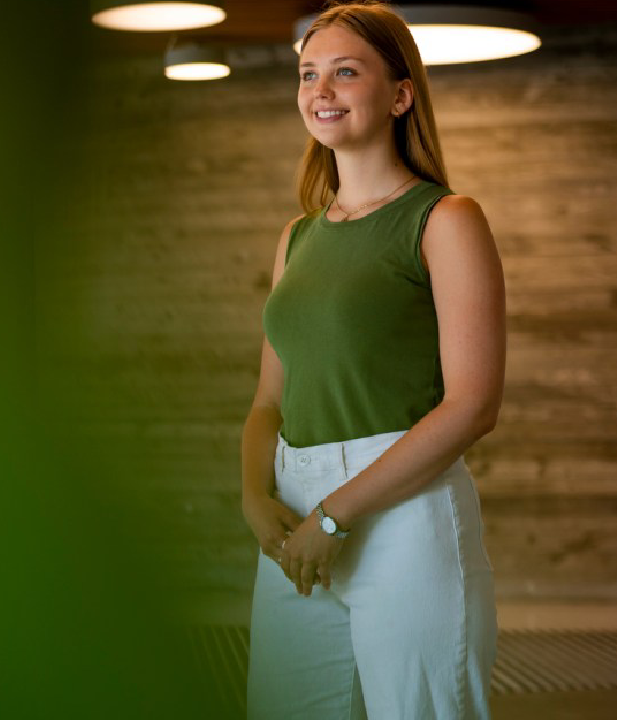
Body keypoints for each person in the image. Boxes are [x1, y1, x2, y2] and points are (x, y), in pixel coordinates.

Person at [240, 1, 506, 718]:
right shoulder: (296, 237)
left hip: (401, 517)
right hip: (296, 513)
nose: (318, 91)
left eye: (344, 72)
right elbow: (269, 399)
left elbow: (472, 405)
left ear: (399, 94)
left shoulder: (444, 220)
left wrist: (333, 518)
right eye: (307, 75)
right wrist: (253, 497)